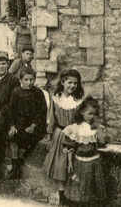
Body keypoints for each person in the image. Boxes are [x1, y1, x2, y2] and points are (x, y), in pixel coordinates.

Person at [44, 69, 85, 205]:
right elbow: (51, 117)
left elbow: (82, 119)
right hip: (60, 135)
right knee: (61, 165)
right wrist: (49, 135)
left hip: (75, 135)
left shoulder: (78, 100)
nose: (72, 86)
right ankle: (62, 196)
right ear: (62, 82)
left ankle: (73, 196)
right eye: (69, 82)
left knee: (73, 166)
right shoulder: (56, 98)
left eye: (75, 83)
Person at [62, 97, 107, 206]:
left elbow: (102, 142)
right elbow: (70, 147)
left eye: (95, 114)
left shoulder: (96, 127)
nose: (92, 117)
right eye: (90, 114)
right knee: (81, 186)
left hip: (94, 162)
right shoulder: (76, 128)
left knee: (93, 186)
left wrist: (99, 130)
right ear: (82, 112)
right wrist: (70, 163)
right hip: (81, 162)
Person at [4, 67, 47, 180]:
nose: (29, 82)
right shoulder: (16, 92)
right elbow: (11, 110)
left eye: (31, 80)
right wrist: (12, 126)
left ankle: (18, 164)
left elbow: (42, 112)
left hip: (35, 124)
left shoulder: (38, 93)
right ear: (21, 80)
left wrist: (33, 125)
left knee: (27, 138)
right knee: (13, 136)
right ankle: (15, 166)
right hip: (20, 122)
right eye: (26, 80)